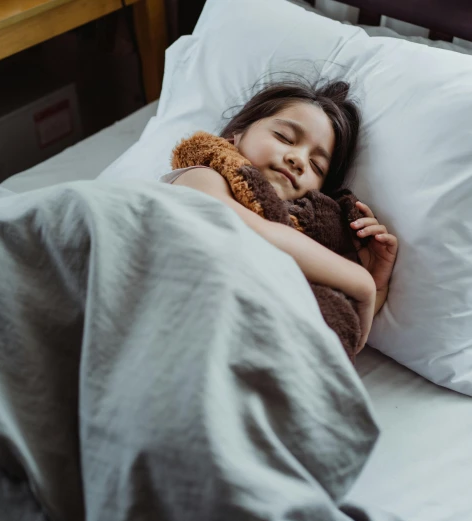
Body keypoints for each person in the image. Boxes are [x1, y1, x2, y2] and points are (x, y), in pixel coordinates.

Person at [167, 79, 397, 353]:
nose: (298, 159)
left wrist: (376, 279)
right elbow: (243, 229)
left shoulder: (304, 242)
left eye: (316, 165)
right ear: (235, 136)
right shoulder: (201, 175)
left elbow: (336, 330)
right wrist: (359, 281)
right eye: (284, 138)